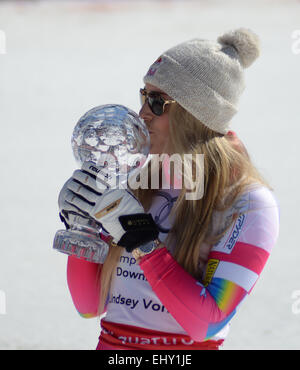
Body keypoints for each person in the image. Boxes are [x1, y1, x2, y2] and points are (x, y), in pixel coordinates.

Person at [58, 28, 279, 350]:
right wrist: (84, 229)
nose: (142, 114)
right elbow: (89, 306)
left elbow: (207, 322)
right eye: (143, 96)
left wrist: (143, 242)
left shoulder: (248, 204)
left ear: (196, 115)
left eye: (158, 102)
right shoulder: (134, 185)